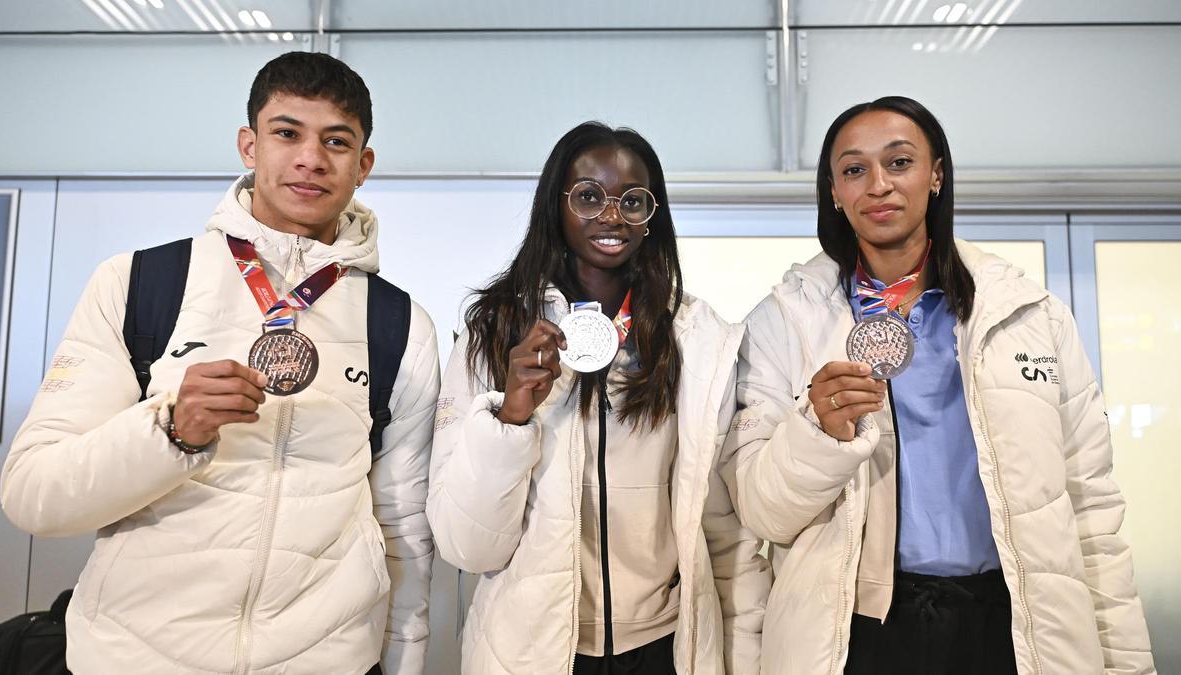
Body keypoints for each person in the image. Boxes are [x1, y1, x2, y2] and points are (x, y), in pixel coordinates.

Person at [0, 52, 439, 674]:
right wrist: (170, 431)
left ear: (363, 164)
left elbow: (403, 532)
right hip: (137, 657)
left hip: (324, 659)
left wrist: (401, 665)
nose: (311, 158)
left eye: (336, 141)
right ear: (249, 145)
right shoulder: (141, 283)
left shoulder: (398, 325)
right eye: (287, 133)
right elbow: (34, 497)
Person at [722, 96, 1155, 675]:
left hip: (1015, 623)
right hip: (857, 631)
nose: (878, 185)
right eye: (854, 170)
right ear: (833, 191)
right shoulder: (782, 322)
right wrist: (817, 434)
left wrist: (1126, 663)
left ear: (936, 175)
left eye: (899, 162)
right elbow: (760, 515)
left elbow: (1091, 510)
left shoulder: (1028, 314)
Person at [428, 121, 771, 674]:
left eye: (632, 200)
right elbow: (468, 546)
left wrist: (747, 655)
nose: (611, 216)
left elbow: (724, 531)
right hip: (532, 651)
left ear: (652, 215)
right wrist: (510, 417)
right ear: (556, 206)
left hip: (664, 648)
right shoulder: (495, 333)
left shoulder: (696, 340)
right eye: (589, 196)